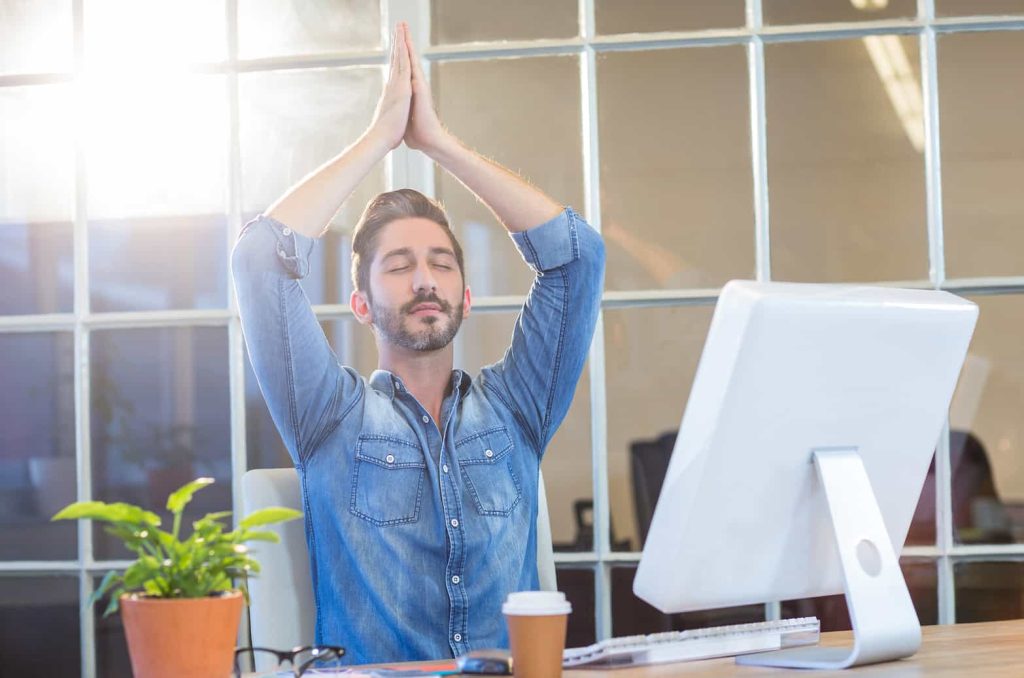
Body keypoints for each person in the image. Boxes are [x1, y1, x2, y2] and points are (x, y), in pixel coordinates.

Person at [231, 23, 604, 663]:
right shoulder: (328, 416)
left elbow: (575, 256)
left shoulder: (518, 408)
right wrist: (381, 138)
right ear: (361, 305)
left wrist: (438, 144)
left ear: (464, 297)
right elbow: (261, 259)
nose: (425, 279)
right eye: (399, 266)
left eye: (441, 264)